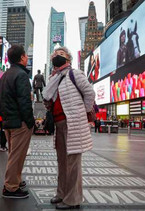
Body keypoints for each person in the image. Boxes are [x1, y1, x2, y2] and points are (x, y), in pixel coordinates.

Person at [42, 46, 95, 210]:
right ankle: (61, 193)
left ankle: (72, 199)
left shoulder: (74, 73)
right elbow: (46, 96)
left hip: (73, 123)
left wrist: (83, 112)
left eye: (61, 54)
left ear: (68, 59)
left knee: (73, 162)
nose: (57, 56)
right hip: (59, 124)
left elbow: (90, 93)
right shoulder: (54, 78)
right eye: (55, 54)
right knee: (62, 161)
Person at [0, 44, 35, 199]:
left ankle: (16, 180)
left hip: (8, 122)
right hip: (20, 122)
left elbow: (0, 102)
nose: (27, 58)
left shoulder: (5, 75)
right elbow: (24, 101)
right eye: (25, 55)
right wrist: (30, 121)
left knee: (15, 154)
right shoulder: (21, 75)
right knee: (16, 156)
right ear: (21, 58)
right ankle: (10, 187)